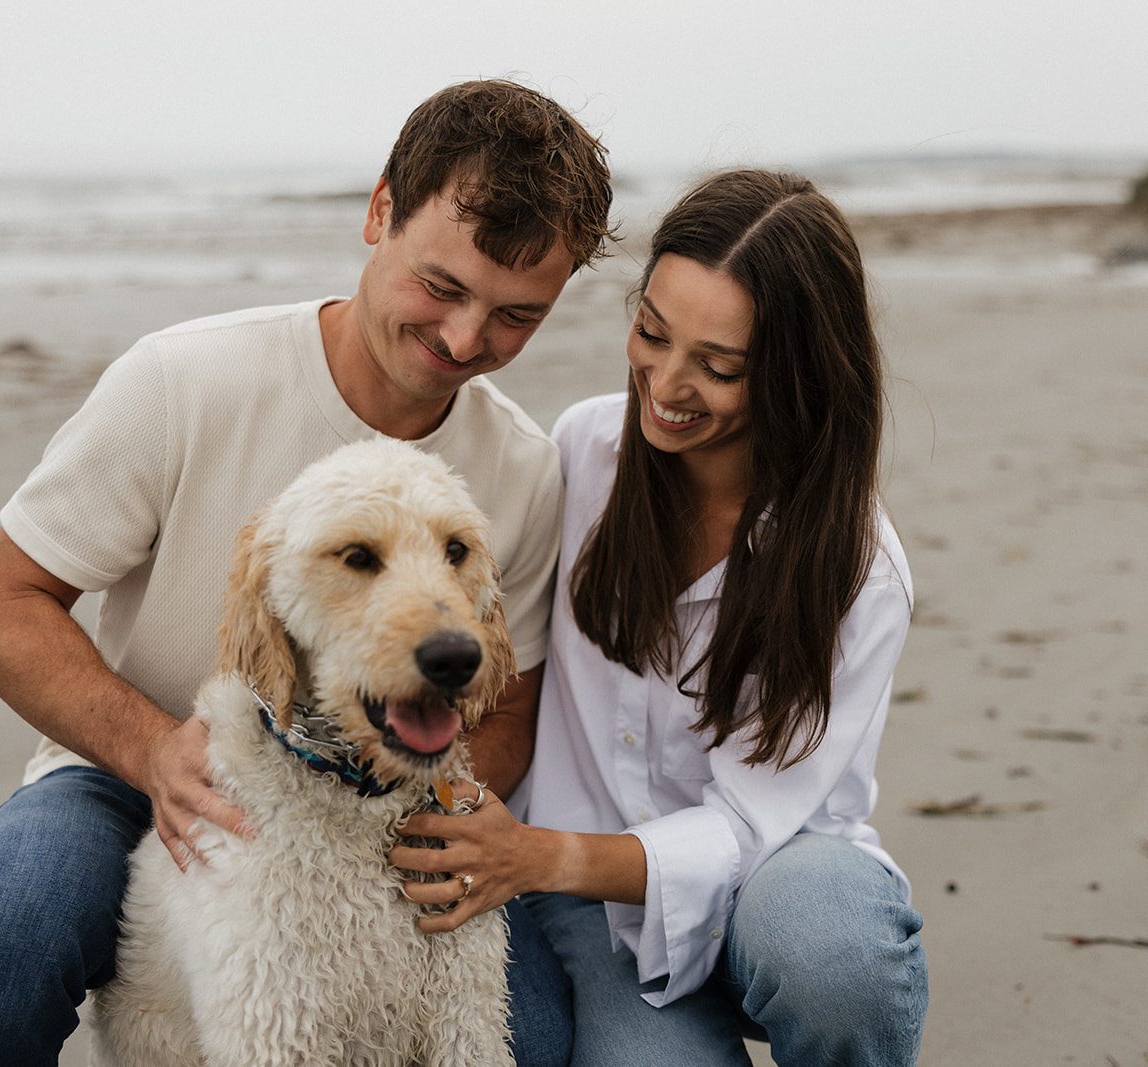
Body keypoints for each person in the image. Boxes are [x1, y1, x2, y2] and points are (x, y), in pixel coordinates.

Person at [0, 79, 614, 1066]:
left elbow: (509, 701)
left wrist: (453, 801)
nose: (464, 342)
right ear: (378, 212)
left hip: (390, 794)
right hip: (138, 762)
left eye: (515, 316)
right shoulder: (182, 380)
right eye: (441, 288)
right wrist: (152, 748)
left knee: (531, 1039)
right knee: (6, 927)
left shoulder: (523, 468)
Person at [392, 169, 928, 1065]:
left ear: (796, 377)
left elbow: (753, 823)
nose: (668, 385)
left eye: (719, 367)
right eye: (651, 332)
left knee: (832, 955)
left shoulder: (858, 568)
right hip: (598, 917)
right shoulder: (583, 454)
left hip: (774, 887)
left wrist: (533, 856)